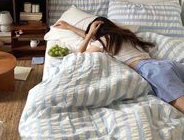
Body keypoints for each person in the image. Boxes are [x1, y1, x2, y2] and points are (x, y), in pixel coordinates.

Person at [54, 17, 184, 113]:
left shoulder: (104, 41)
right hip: (165, 64)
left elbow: (79, 55)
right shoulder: (125, 36)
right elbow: (94, 39)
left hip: (151, 71)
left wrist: (88, 35)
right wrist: (69, 27)